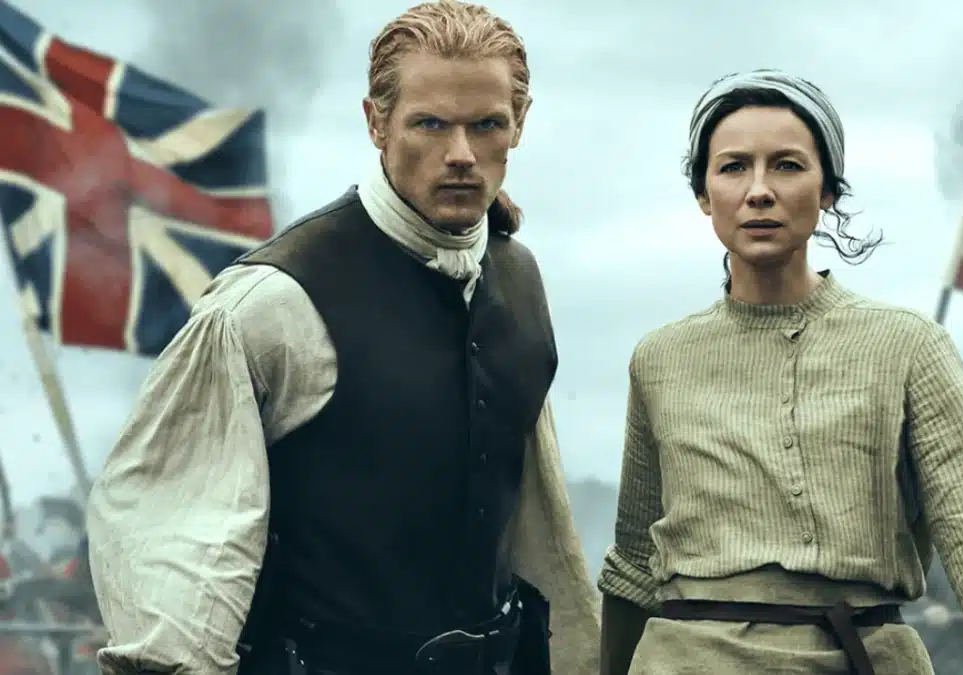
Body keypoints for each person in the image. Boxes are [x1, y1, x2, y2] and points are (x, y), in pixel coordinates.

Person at [85, 2, 600, 674]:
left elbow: (536, 519)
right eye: (430, 124)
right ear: (376, 122)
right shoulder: (272, 302)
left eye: (486, 125)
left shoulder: (520, 280)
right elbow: (174, 541)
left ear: (519, 123)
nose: (461, 154)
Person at [596, 70, 963, 675]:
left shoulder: (907, 346)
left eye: (787, 165)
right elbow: (636, 568)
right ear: (704, 193)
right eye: (733, 167)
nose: (759, 191)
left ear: (827, 189)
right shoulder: (661, 359)